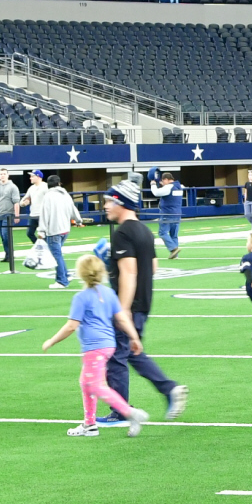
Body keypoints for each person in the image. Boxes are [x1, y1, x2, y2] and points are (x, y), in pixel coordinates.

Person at [100, 179, 187, 423]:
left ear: (120, 202)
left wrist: (123, 309)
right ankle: (167, 389)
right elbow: (153, 267)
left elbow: (129, 273)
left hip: (129, 305)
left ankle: (123, 409)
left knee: (117, 356)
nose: (105, 206)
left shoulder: (123, 233)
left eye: (109, 201)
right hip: (144, 302)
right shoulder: (144, 230)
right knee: (131, 351)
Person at [40, 252, 148, 439]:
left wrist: (52, 340)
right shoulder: (108, 293)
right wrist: (134, 337)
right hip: (108, 345)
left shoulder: (81, 298)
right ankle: (89, 424)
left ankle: (129, 413)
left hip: (94, 347)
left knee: (96, 385)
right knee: (86, 382)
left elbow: (71, 326)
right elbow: (122, 318)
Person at [38, 177, 77, 289]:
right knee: (58, 254)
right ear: (59, 183)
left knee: (56, 256)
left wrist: (41, 230)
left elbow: (44, 214)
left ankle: (62, 281)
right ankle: (66, 275)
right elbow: (73, 208)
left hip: (54, 230)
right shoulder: (65, 194)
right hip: (65, 229)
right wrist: (78, 220)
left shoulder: (48, 196)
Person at [0, 169, 20, 267]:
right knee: (2, 236)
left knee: (6, 234)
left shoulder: (13, 187)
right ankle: (7, 254)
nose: (2, 175)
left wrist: (17, 215)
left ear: (8, 175)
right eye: (1, 174)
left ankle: (10, 254)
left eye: (4, 174)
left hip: (8, 215)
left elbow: (16, 202)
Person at [150, 170, 184, 258]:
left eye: (163, 181)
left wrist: (153, 184)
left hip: (167, 214)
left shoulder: (168, 187)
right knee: (174, 235)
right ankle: (175, 255)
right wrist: (164, 186)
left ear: (166, 179)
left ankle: (173, 249)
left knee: (162, 232)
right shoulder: (179, 186)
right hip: (177, 214)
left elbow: (156, 193)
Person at [21, 170, 48, 248]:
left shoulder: (45, 187)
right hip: (33, 215)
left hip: (42, 215)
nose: (30, 178)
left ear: (38, 177)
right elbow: (22, 201)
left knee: (43, 234)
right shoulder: (31, 188)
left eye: (32, 176)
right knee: (29, 233)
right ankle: (40, 247)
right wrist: (24, 203)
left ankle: (46, 249)